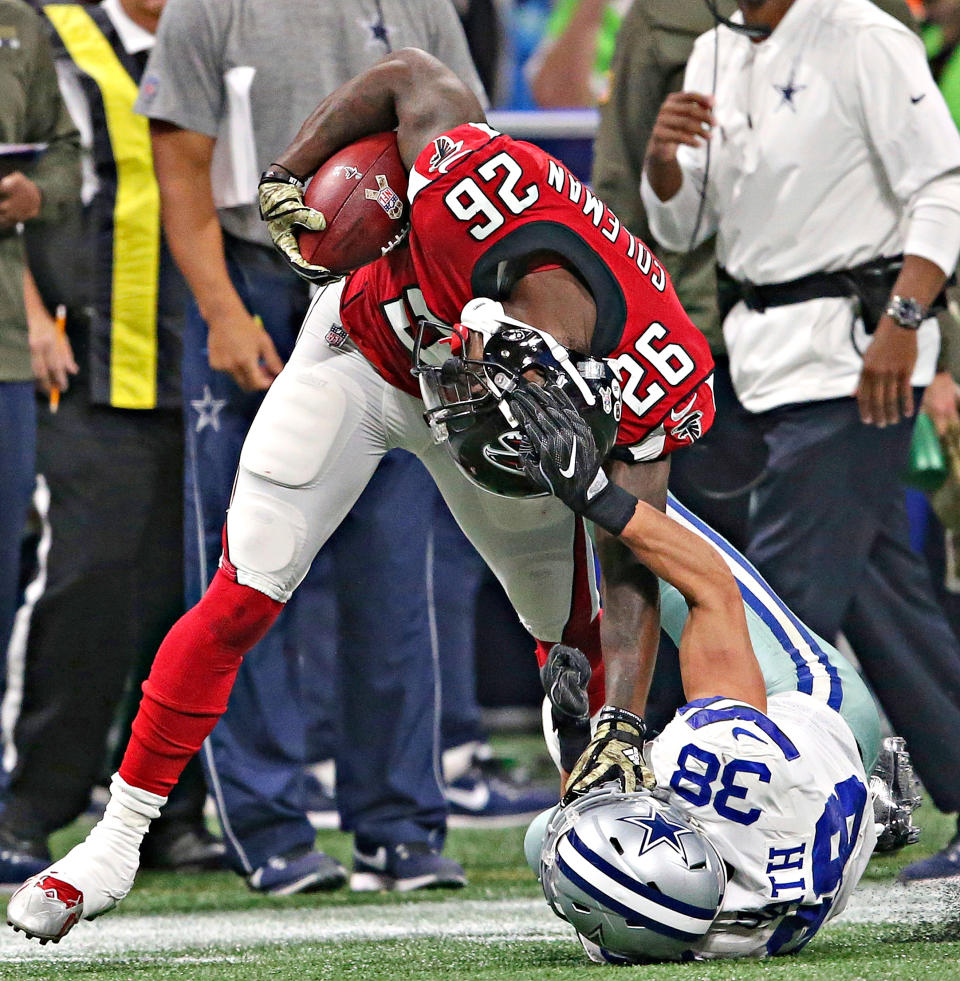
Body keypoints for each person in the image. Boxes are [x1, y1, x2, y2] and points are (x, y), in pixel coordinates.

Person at [135, 0, 490, 893]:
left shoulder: (420, 5)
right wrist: (219, 309)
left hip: (390, 290)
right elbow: (180, 169)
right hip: (256, 279)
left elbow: (466, 155)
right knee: (248, 562)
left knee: (396, 558)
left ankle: (400, 822)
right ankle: (268, 823)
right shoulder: (207, 8)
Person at [641, 0, 960, 883]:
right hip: (760, 355)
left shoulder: (863, 33)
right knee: (883, 600)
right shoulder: (711, 50)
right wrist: (664, 162)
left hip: (857, 355)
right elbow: (684, 229)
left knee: (776, 609)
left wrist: (907, 316)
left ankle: (736, 822)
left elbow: (946, 185)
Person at [506, 381, 908, 961]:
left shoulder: (667, 926)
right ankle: (597, 446)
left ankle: (868, 815)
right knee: (649, 524)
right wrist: (597, 492)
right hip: (820, 715)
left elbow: (619, 877)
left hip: (806, 843)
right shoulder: (720, 760)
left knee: (553, 837)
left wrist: (579, 749)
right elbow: (709, 587)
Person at [0, 0, 229, 890]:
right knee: (86, 579)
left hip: (197, 365)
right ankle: (32, 800)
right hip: (84, 353)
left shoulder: (222, 36)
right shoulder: (50, 28)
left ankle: (169, 811)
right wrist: (27, 315)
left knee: (183, 596)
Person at [0, 0, 79, 725]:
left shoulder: (19, 24)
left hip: (4, 352)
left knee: (3, 573)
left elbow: (62, 151)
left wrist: (36, 192)